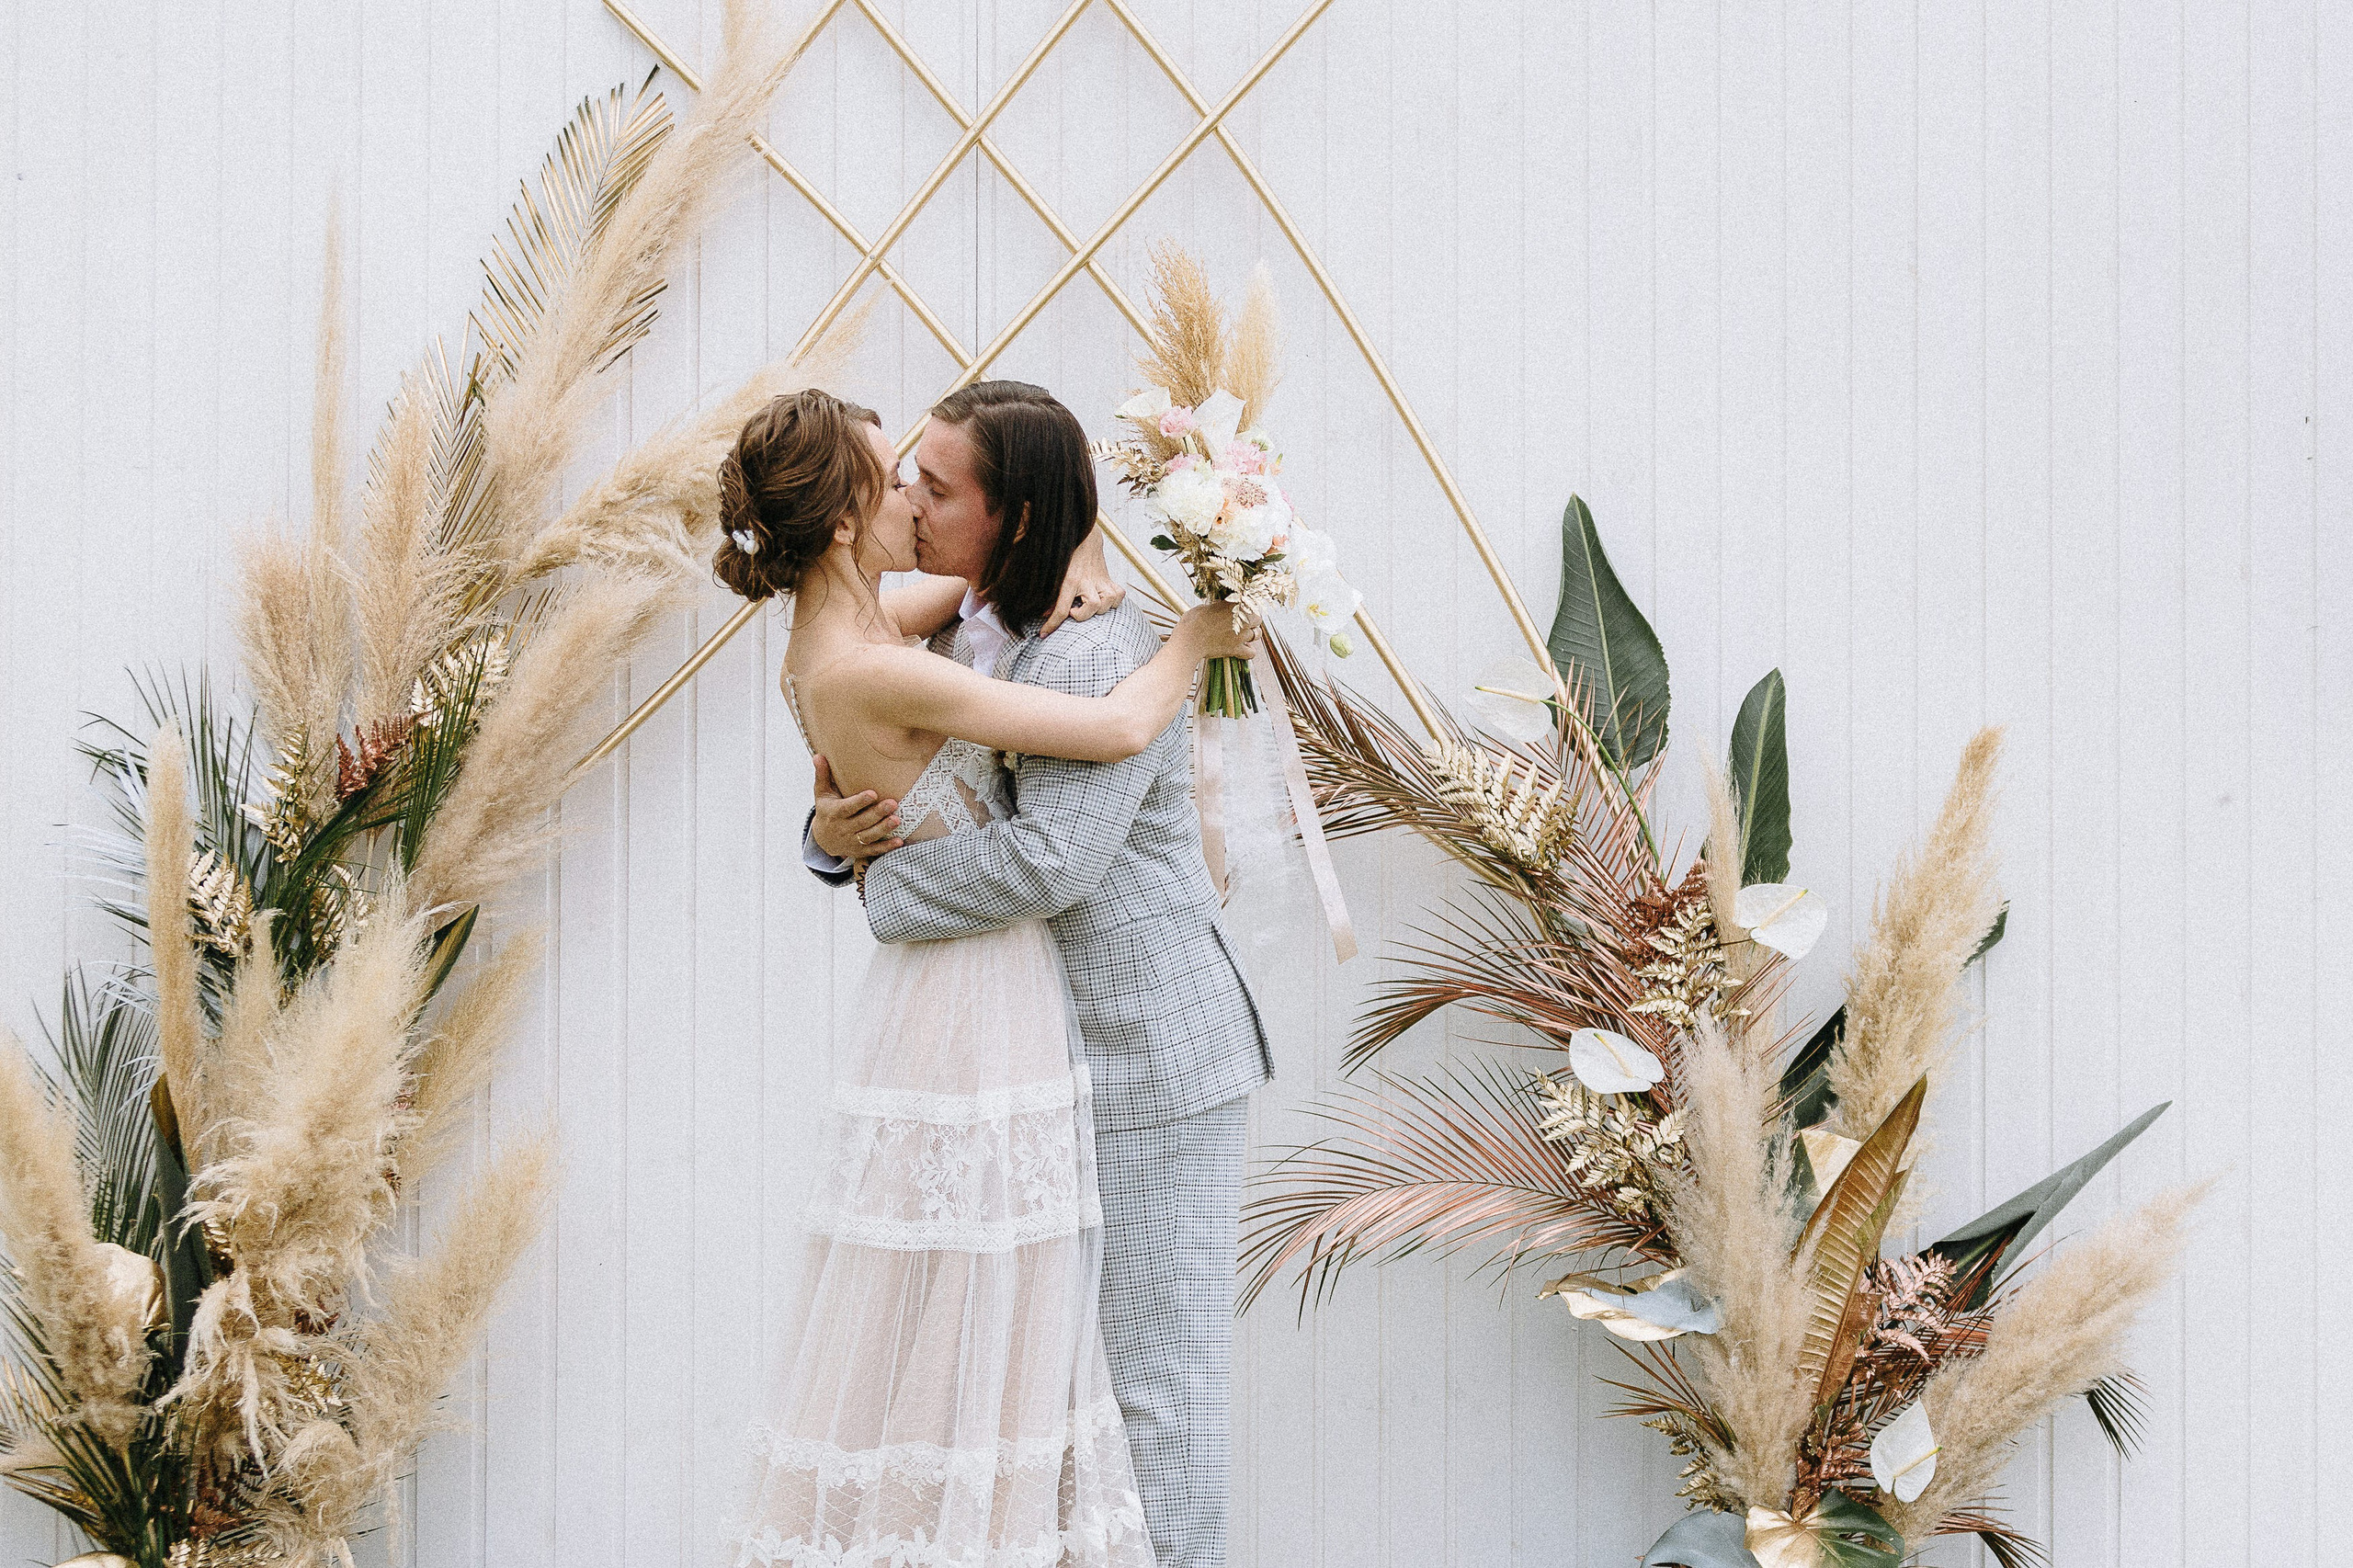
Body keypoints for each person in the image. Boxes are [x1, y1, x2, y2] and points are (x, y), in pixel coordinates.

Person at [716, 387, 1256, 1567]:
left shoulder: (1095, 639)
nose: (911, 493)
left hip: (1148, 1055)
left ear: (1013, 519)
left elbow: (1053, 857)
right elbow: (905, 764)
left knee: (1150, 1391)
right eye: (900, 476)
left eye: (936, 484)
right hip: (1014, 1047)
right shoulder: (941, 625)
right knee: (1029, 1387)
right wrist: (830, 838)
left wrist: (883, 891)